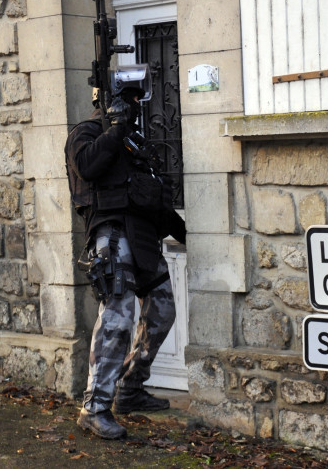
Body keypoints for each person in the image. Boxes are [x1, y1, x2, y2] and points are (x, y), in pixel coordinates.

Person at [64, 82, 187, 440]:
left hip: (144, 237)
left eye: (137, 100)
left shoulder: (133, 141)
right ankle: (95, 406)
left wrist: (183, 231)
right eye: (129, 99)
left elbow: (150, 196)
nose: (136, 105)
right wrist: (116, 128)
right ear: (110, 102)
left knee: (162, 312)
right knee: (118, 318)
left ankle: (130, 388)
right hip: (112, 234)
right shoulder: (86, 133)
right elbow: (87, 166)